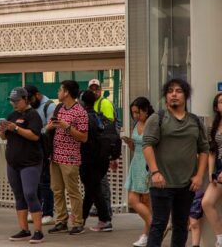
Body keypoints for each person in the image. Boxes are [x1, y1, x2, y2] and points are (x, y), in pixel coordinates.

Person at [143, 78, 209, 247]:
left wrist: (199, 176)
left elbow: (204, 150)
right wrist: (155, 172)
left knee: (181, 226)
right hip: (162, 183)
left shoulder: (195, 121)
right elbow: (147, 145)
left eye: (178, 91)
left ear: (185, 96)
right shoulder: (157, 119)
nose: (174, 94)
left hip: (187, 184)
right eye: (170, 91)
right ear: (166, 96)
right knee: (159, 225)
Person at [0, 87, 44, 243]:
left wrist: (16, 128)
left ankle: (38, 230)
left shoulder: (33, 115)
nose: (14, 104)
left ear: (26, 99)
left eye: (17, 101)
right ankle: (24, 229)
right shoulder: (12, 115)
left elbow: (35, 136)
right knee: (19, 195)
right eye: (12, 102)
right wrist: (4, 130)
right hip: (13, 162)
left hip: (30, 162)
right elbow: (4, 137)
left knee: (30, 193)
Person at [47, 80, 88, 235]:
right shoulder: (59, 108)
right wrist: (50, 126)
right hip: (55, 156)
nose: (58, 92)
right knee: (57, 190)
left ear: (67, 93)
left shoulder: (80, 112)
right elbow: (50, 127)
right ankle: (61, 221)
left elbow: (84, 137)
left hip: (70, 157)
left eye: (60, 89)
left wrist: (67, 127)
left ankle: (78, 223)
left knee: (73, 191)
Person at [78, 90, 113, 232]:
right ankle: (82, 218)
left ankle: (105, 220)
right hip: (101, 159)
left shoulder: (84, 117)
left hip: (88, 159)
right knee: (91, 189)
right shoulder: (99, 116)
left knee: (94, 189)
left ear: (82, 102)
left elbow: (84, 139)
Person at [122, 97, 154, 246]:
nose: (135, 115)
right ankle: (154, 226)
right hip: (137, 162)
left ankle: (148, 233)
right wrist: (130, 143)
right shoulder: (137, 123)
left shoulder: (151, 123)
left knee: (146, 202)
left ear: (146, 110)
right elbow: (137, 146)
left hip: (148, 164)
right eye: (133, 112)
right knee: (133, 200)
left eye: (137, 112)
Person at [24, 85, 56, 226]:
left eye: (30, 98)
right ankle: (36, 211)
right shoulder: (29, 108)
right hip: (32, 149)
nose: (29, 102)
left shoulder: (49, 106)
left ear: (37, 95)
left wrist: (36, 132)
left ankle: (48, 212)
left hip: (45, 148)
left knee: (45, 181)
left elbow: (50, 128)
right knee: (34, 181)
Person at [88, 78, 115, 219]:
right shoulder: (90, 104)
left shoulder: (104, 103)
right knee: (95, 180)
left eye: (96, 89)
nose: (94, 91)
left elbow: (109, 126)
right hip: (94, 148)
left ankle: (106, 208)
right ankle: (99, 207)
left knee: (102, 180)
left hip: (102, 149)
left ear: (101, 90)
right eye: (91, 89)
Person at [201, 92, 222, 247]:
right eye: (221, 102)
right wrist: (210, 173)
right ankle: (220, 237)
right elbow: (212, 151)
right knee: (207, 202)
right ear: (216, 107)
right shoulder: (213, 127)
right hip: (218, 170)